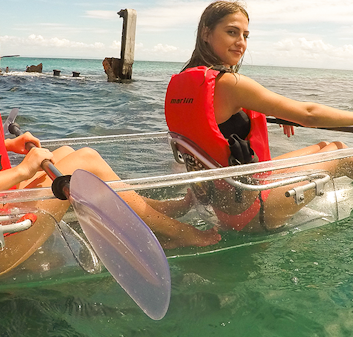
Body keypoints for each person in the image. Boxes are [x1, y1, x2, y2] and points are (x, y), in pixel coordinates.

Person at [165, 0, 353, 233]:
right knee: (339, 154)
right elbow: (309, 115)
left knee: (324, 146)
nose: (241, 42)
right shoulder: (230, 84)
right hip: (252, 210)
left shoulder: (182, 83)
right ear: (206, 33)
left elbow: (216, 121)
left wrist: (270, 113)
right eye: (232, 32)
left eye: (245, 35)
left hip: (223, 201)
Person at [0, 114, 221, 266]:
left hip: (6, 208)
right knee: (86, 161)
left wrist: (8, 145)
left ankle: (154, 210)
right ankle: (175, 231)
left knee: (66, 152)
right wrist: (22, 171)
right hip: (5, 243)